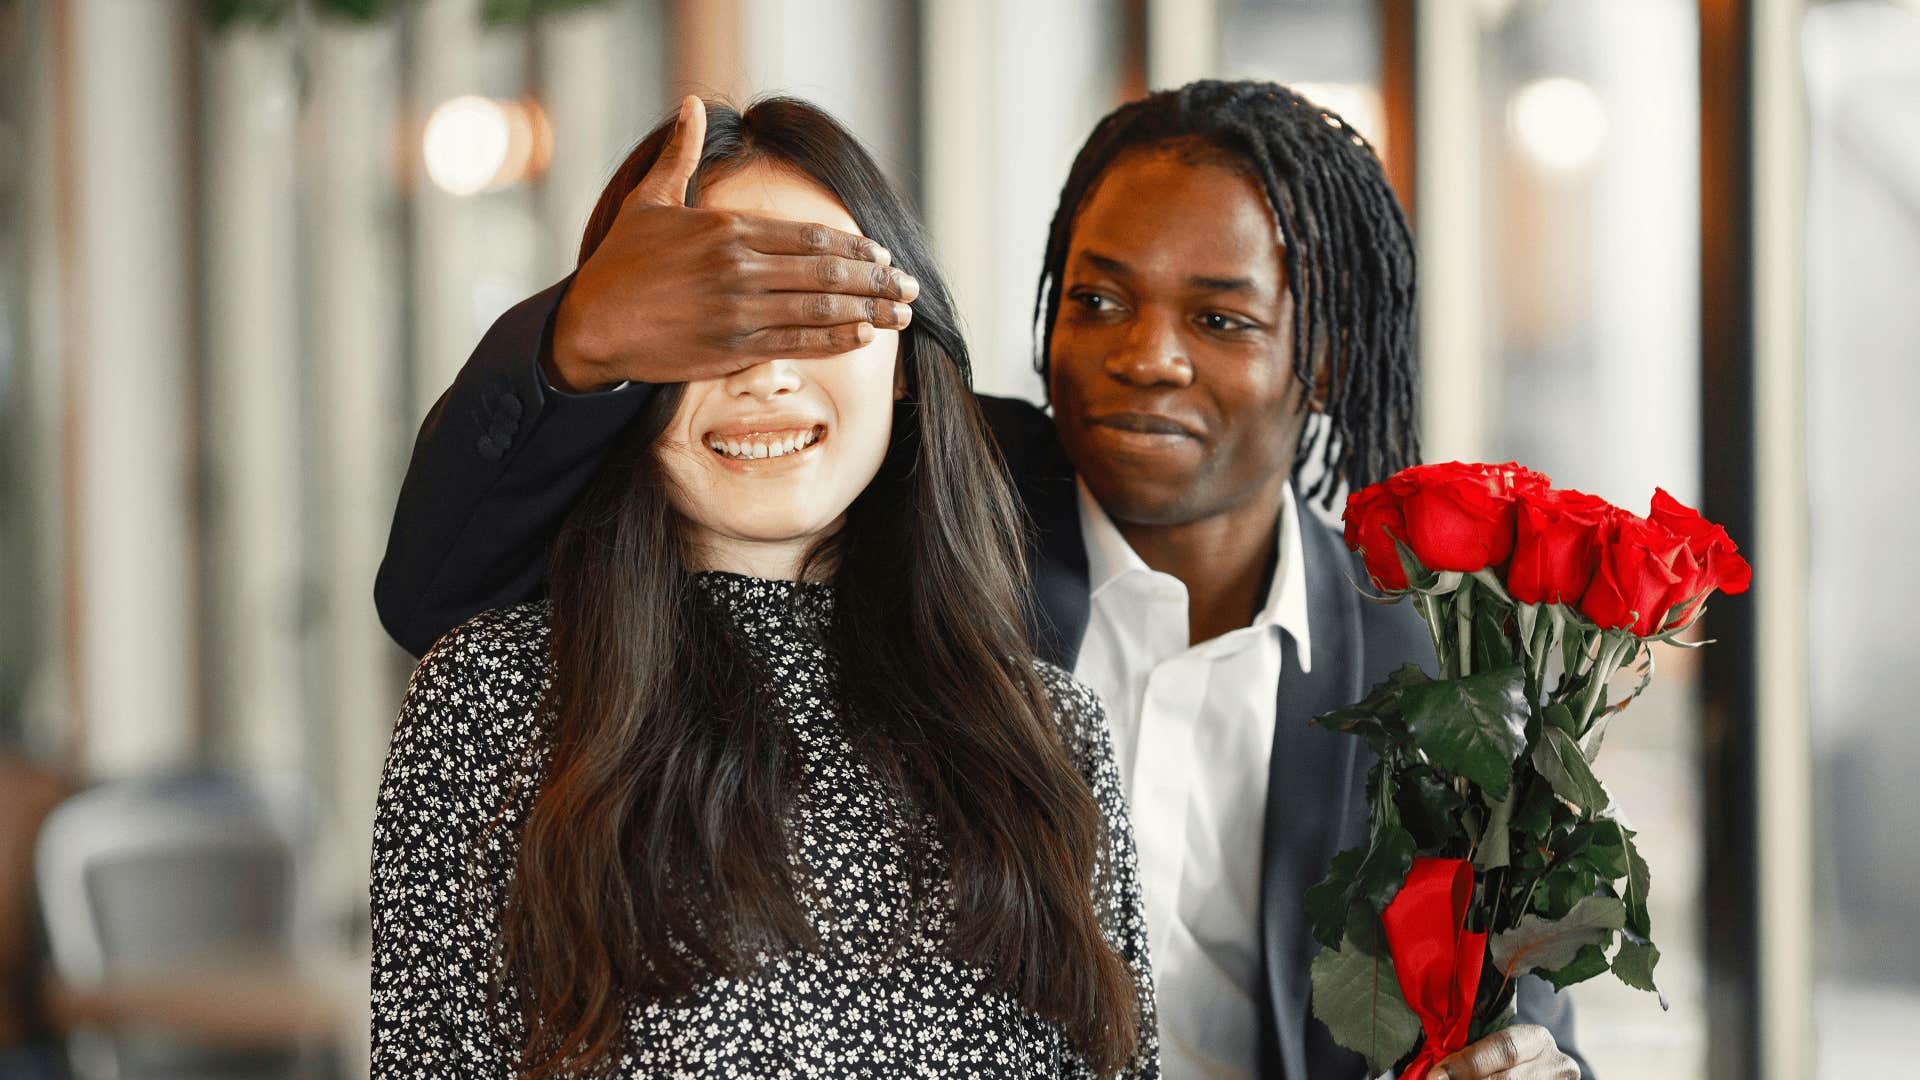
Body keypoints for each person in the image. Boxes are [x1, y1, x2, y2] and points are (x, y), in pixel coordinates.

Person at [376, 82, 1586, 1079]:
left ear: (1322, 359)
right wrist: (582, 336)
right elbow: (448, 586)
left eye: (1220, 320)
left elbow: (1511, 1001)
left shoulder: (1426, 686)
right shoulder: (916, 495)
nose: (1147, 357)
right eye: (1098, 299)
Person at [370, 97, 1157, 1079]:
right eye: (715, 318)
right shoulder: (496, 700)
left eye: (817, 307)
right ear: (624, 352)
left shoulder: (1053, 732)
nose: (766, 374)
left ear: (905, 361)